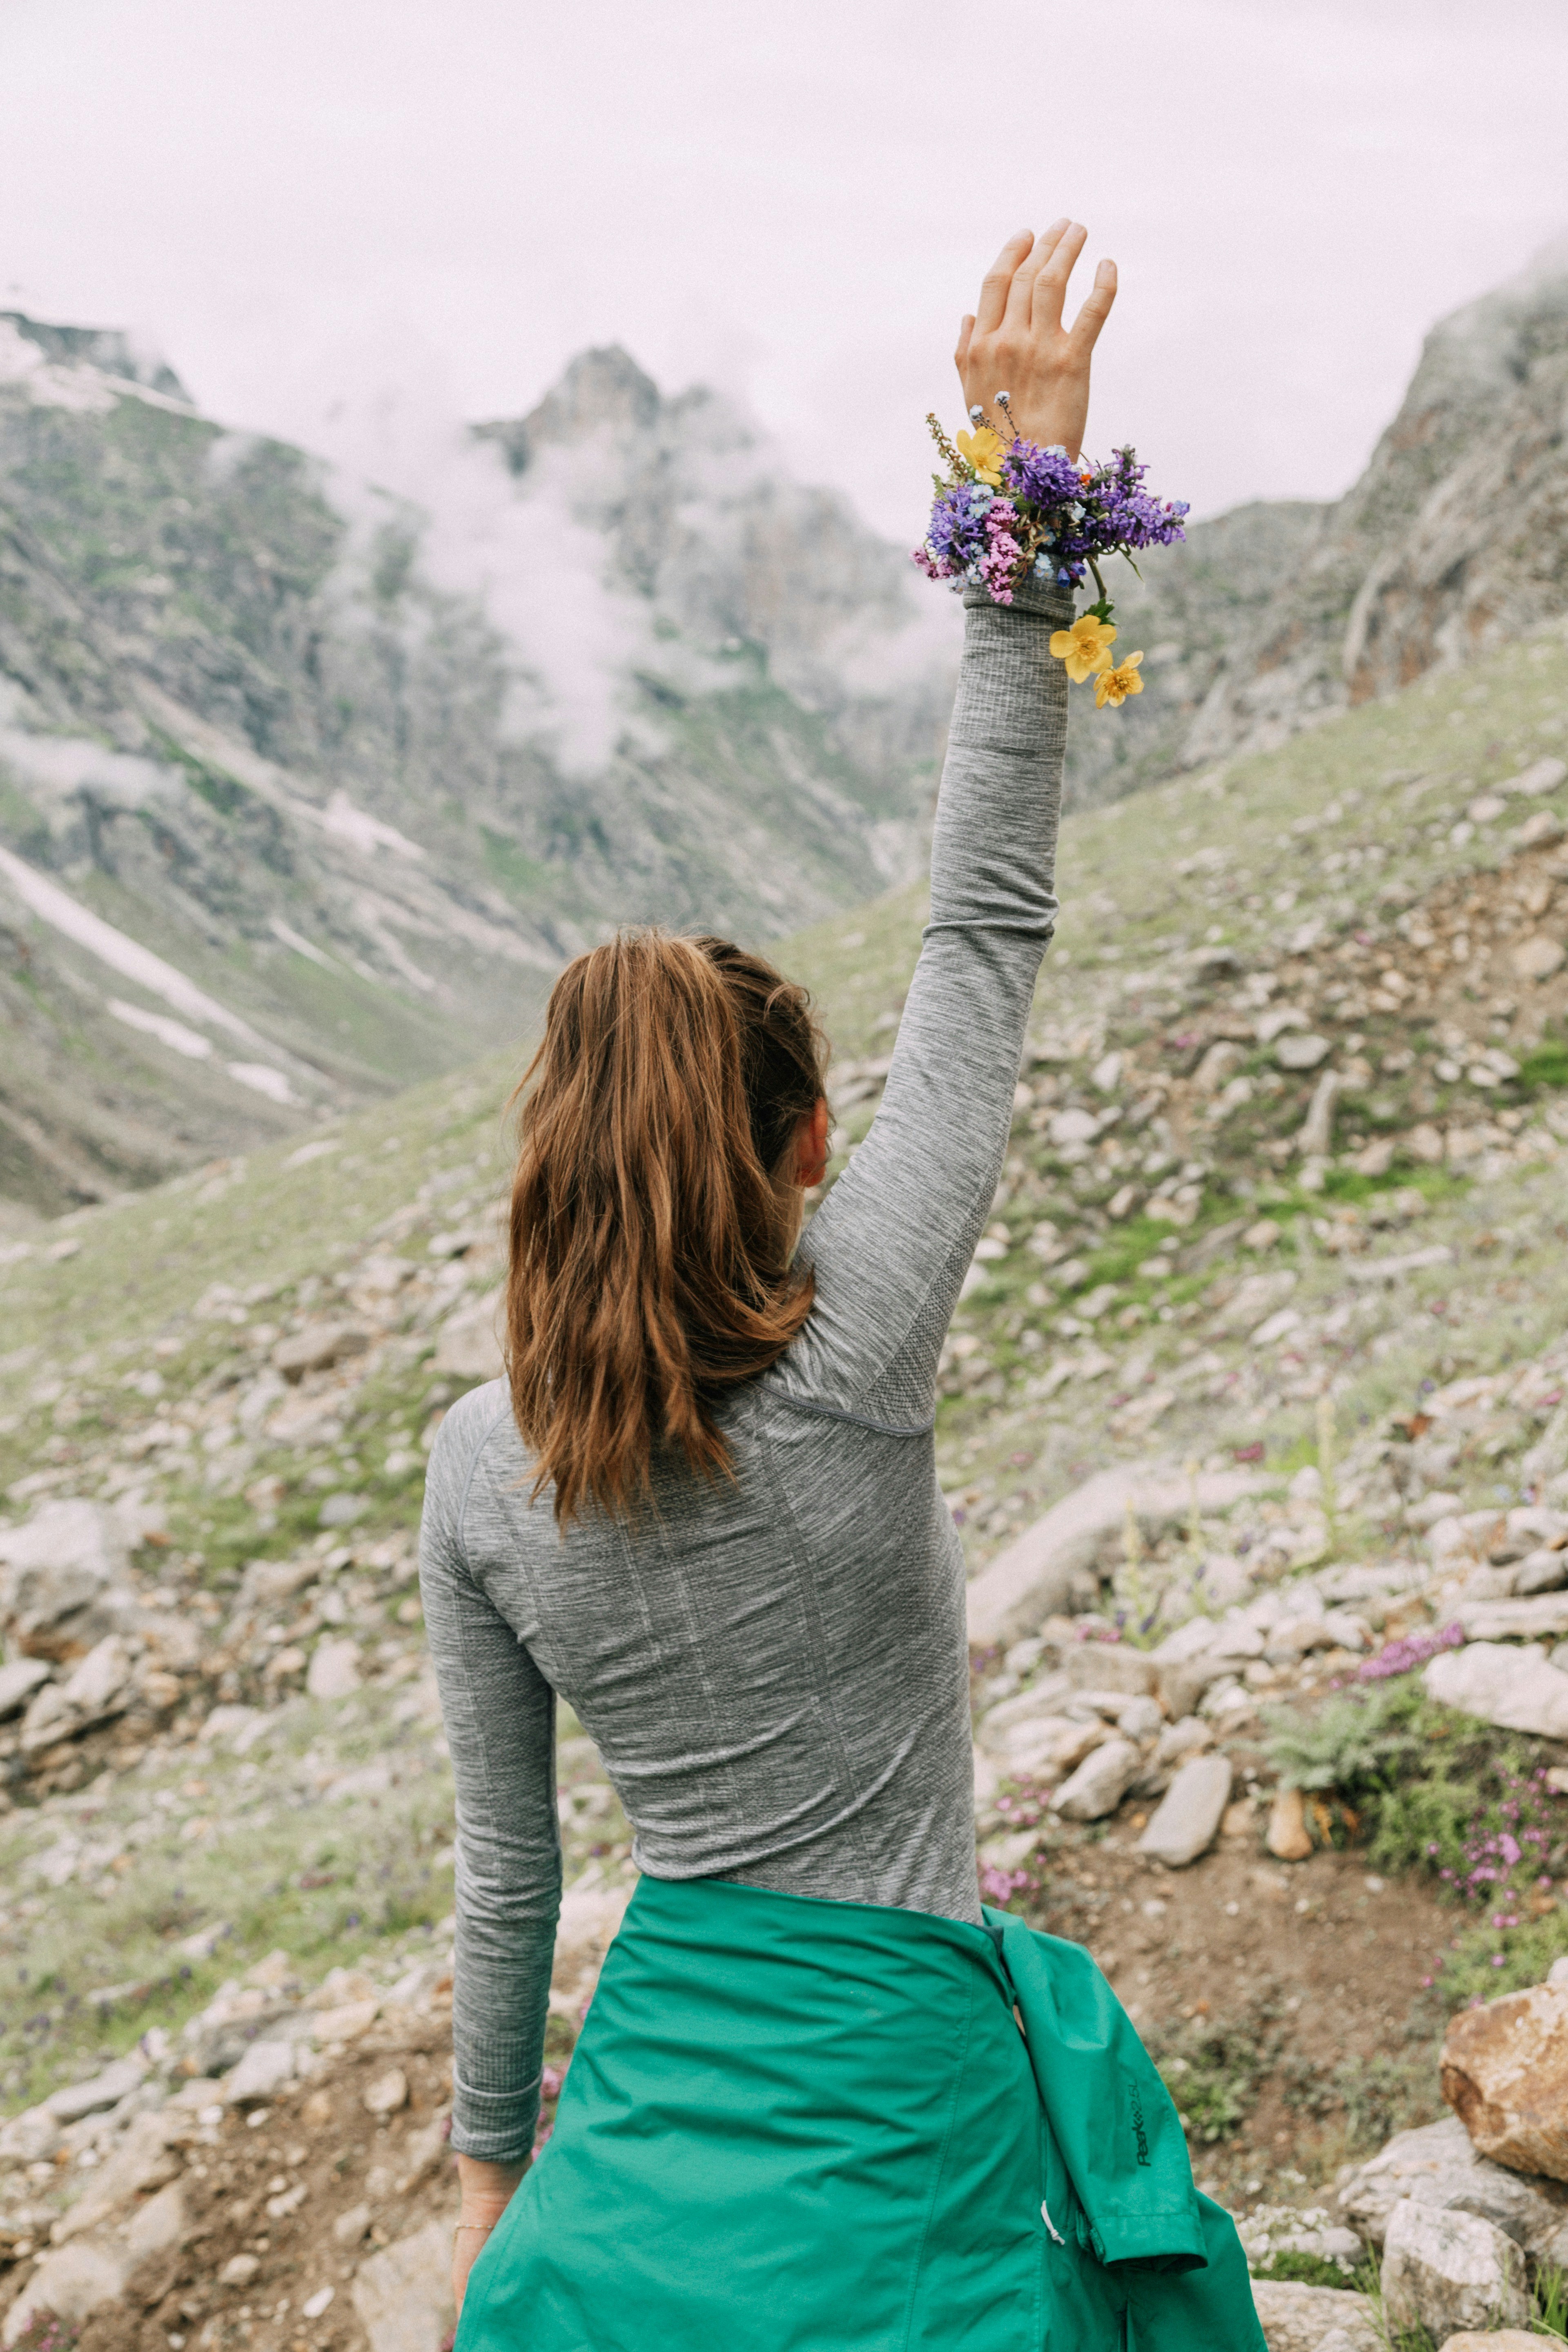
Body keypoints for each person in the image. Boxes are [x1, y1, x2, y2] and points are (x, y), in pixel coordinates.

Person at [420, 222, 1265, 2350]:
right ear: (804, 1155)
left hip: (656, 2083)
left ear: (550, 1175)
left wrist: (492, 2205)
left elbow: (510, 1879)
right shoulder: (853, 1344)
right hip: (892, 2069)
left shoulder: (468, 1475)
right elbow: (984, 925)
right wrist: (1034, 498)